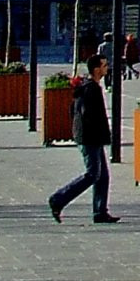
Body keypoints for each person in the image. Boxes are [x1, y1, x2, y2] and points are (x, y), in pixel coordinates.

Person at [48, 54, 117, 224]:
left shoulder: (87, 86)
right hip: (90, 138)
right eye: (104, 65)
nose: (107, 68)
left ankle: (100, 212)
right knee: (93, 174)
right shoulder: (91, 88)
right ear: (96, 69)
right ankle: (58, 199)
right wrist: (97, 133)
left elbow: (74, 110)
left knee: (102, 176)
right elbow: (88, 114)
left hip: (91, 137)